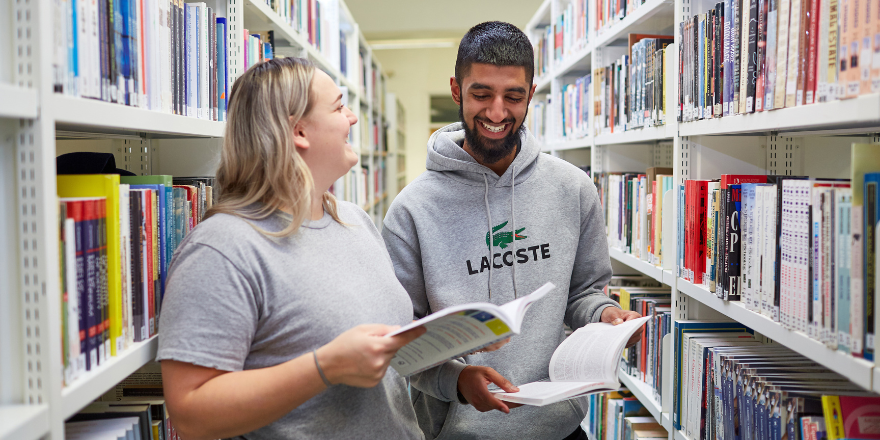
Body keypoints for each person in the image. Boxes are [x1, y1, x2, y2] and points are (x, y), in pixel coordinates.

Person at [381, 21, 642, 440]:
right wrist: (456, 381)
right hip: (455, 430)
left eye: (513, 97)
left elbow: (584, 292)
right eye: (481, 94)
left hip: (558, 426)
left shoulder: (572, 188)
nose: (497, 113)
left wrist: (605, 316)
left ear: (531, 95)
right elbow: (400, 342)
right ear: (456, 90)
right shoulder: (412, 210)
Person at [156, 57, 427, 440]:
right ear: (299, 130)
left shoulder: (354, 221)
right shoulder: (223, 249)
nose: (352, 118)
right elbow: (191, 412)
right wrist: (324, 367)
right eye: (338, 107)